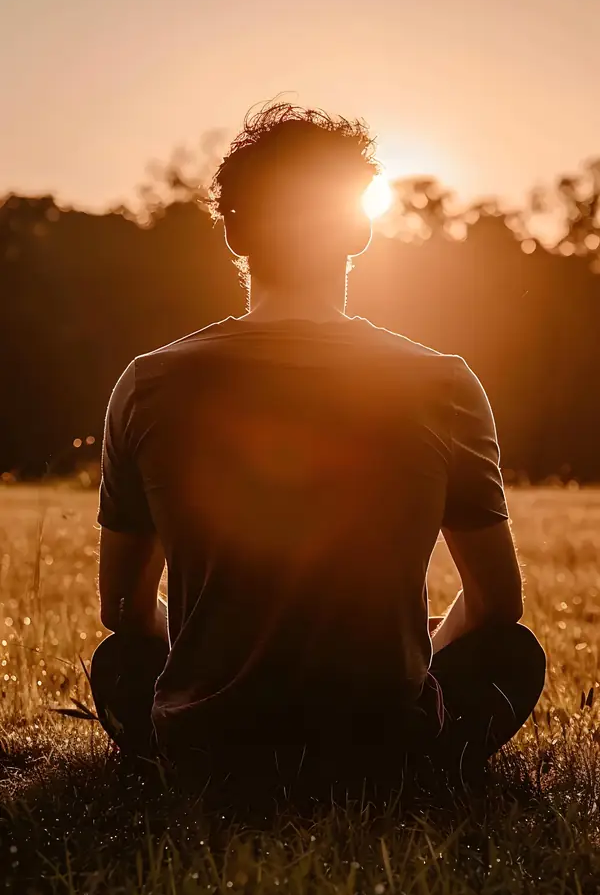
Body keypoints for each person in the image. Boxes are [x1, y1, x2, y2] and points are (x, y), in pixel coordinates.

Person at [91, 103, 545, 788]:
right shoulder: (443, 382)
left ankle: (184, 750)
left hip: (212, 750)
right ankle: (425, 765)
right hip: (382, 749)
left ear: (234, 234)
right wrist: (414, 649)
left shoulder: (146, 382)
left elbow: (124, 608)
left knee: (121, 659)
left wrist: (216, 645)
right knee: (511, 652)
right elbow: (495, 603)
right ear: (358, 229)